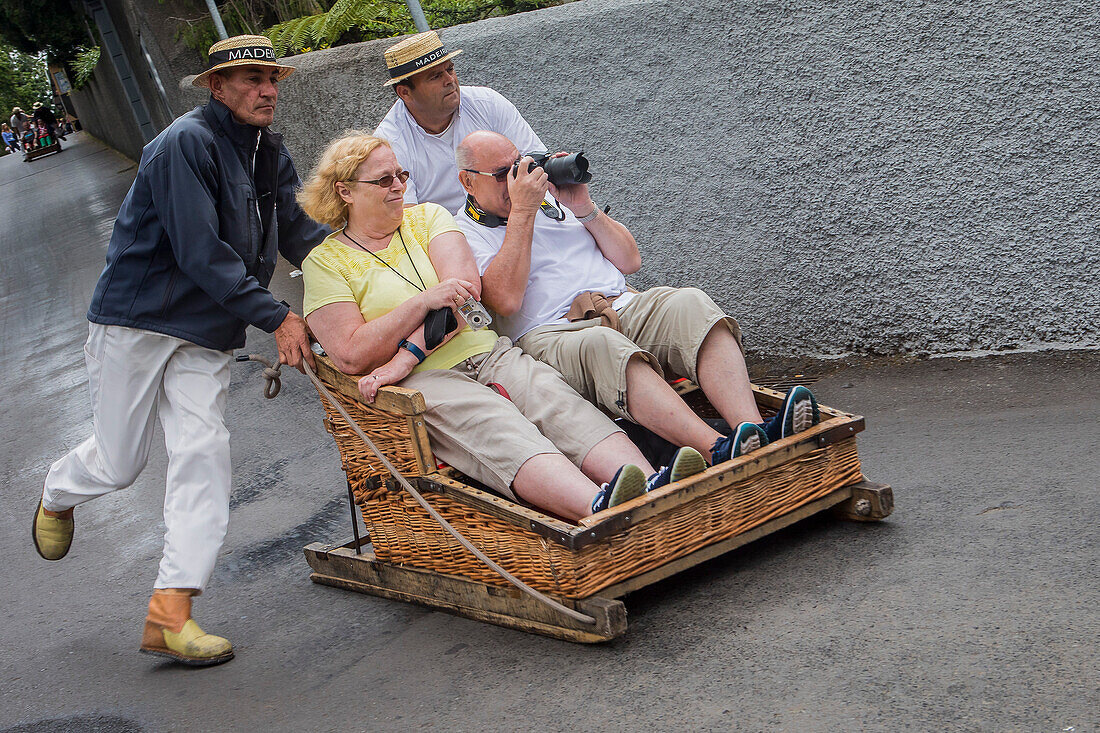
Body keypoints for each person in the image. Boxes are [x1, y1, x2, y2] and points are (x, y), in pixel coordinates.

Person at [32, 35, 330, 667]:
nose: (267, 90)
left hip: (206, 332)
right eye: (250, 79)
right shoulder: (183, 144)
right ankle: (58, 490)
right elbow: (200, 252)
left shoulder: (267, 149)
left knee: (204, 450)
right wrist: (277, 315)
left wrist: (369, 271)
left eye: (272, 79)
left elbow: (301, 235)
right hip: (138, 320)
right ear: (216, 87)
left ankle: (171, 613)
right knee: (120, 464)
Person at [298, 133, 707, 522]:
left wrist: (404, 353)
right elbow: (351, 353)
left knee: (553, 399)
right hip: (428, 378)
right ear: (345, 191)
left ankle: (654, 486)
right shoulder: (325, 263)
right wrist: (423, 302)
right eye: (384, 179)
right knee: (496, 423)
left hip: (486, 351)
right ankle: (600, 507)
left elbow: (466, 296)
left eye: (402, 175)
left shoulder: (427, 219)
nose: (399, 187)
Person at [453, 131, 822, 467]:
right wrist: (523, 213)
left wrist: (583, 206)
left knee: (689, 303)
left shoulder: (551, 202)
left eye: (518, 167)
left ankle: (754, 430)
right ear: (467, 181)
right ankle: (718, 449)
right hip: (554, 333)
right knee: (605, 344)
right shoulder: (463, 232)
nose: (516, 180)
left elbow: (630, 260)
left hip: (620, 303)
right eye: (502, 174)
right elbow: (504, 302)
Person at [374, 30, 542, 213]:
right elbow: (407, 218)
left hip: (513, 212)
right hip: (446, 236)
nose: (450, 80)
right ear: (405, 93)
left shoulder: (487, 102)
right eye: (435, 76)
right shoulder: (388, 144)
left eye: (450, 69)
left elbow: (537, 160)